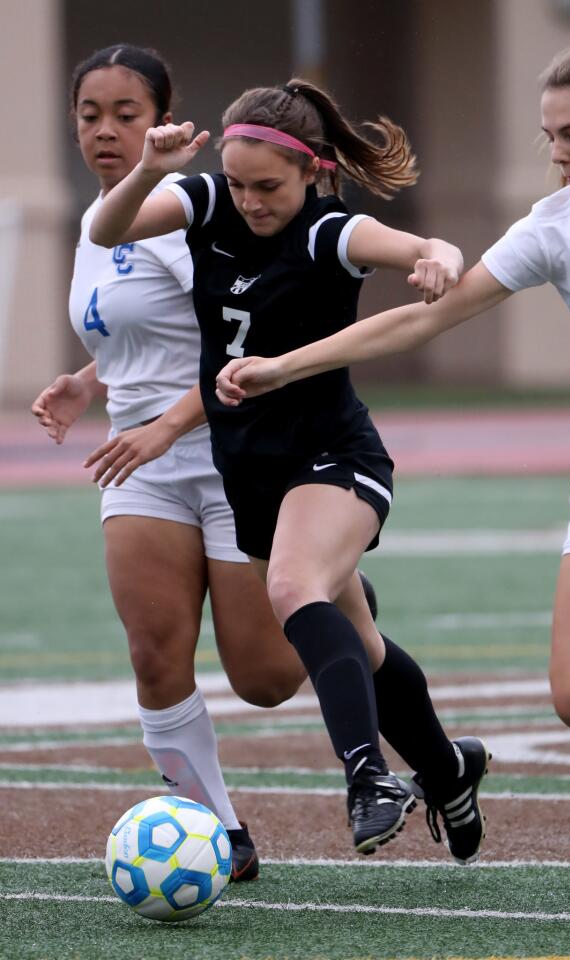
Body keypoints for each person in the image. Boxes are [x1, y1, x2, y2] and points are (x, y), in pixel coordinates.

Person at [212, 13, 570, 915]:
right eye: (547, 137)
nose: (557, 154)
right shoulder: (552, 226)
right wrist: (283, 366)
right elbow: (422, 317)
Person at [88, 78, 491, 859]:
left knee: (291, 588)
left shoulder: (325, 232)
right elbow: (110, 229)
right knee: (360, 642)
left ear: (313, 172)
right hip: (252, 469)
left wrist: (438, 257)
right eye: (237, 183)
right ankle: (446, 769)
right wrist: (148, 167)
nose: (249, 201)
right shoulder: (206, 204)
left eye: (267, 186)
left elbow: (417, 248)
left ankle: (368, 776)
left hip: (335, 454)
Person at [31, 44, 310, 882]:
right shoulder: (96, 224)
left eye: (126, 114)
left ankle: (337, 607)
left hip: (233, 450)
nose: (106, 131)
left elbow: (247, 334)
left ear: (164, 121)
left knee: (263, 677)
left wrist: (166, 422)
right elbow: (139, 332)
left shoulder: (197, 212)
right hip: (142, 465)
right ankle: (217, 829)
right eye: (90, 115)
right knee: (154, 652)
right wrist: (87, 380)